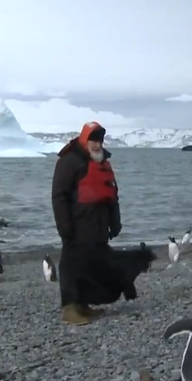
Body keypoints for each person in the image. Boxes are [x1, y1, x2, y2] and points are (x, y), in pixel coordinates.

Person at [51, 121, 123, 325]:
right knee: (72, 264)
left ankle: (83, 304)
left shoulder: (102, 162)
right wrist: (64, 226)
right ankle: (69, 307)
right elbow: (59, 195)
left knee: (90, 263)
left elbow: (112, 194)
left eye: (100, 141)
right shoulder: (69, 161)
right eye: (94, 140)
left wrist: (115, 222)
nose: (98, 145)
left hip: (99, 224)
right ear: (84, 139)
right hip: (77, 223)